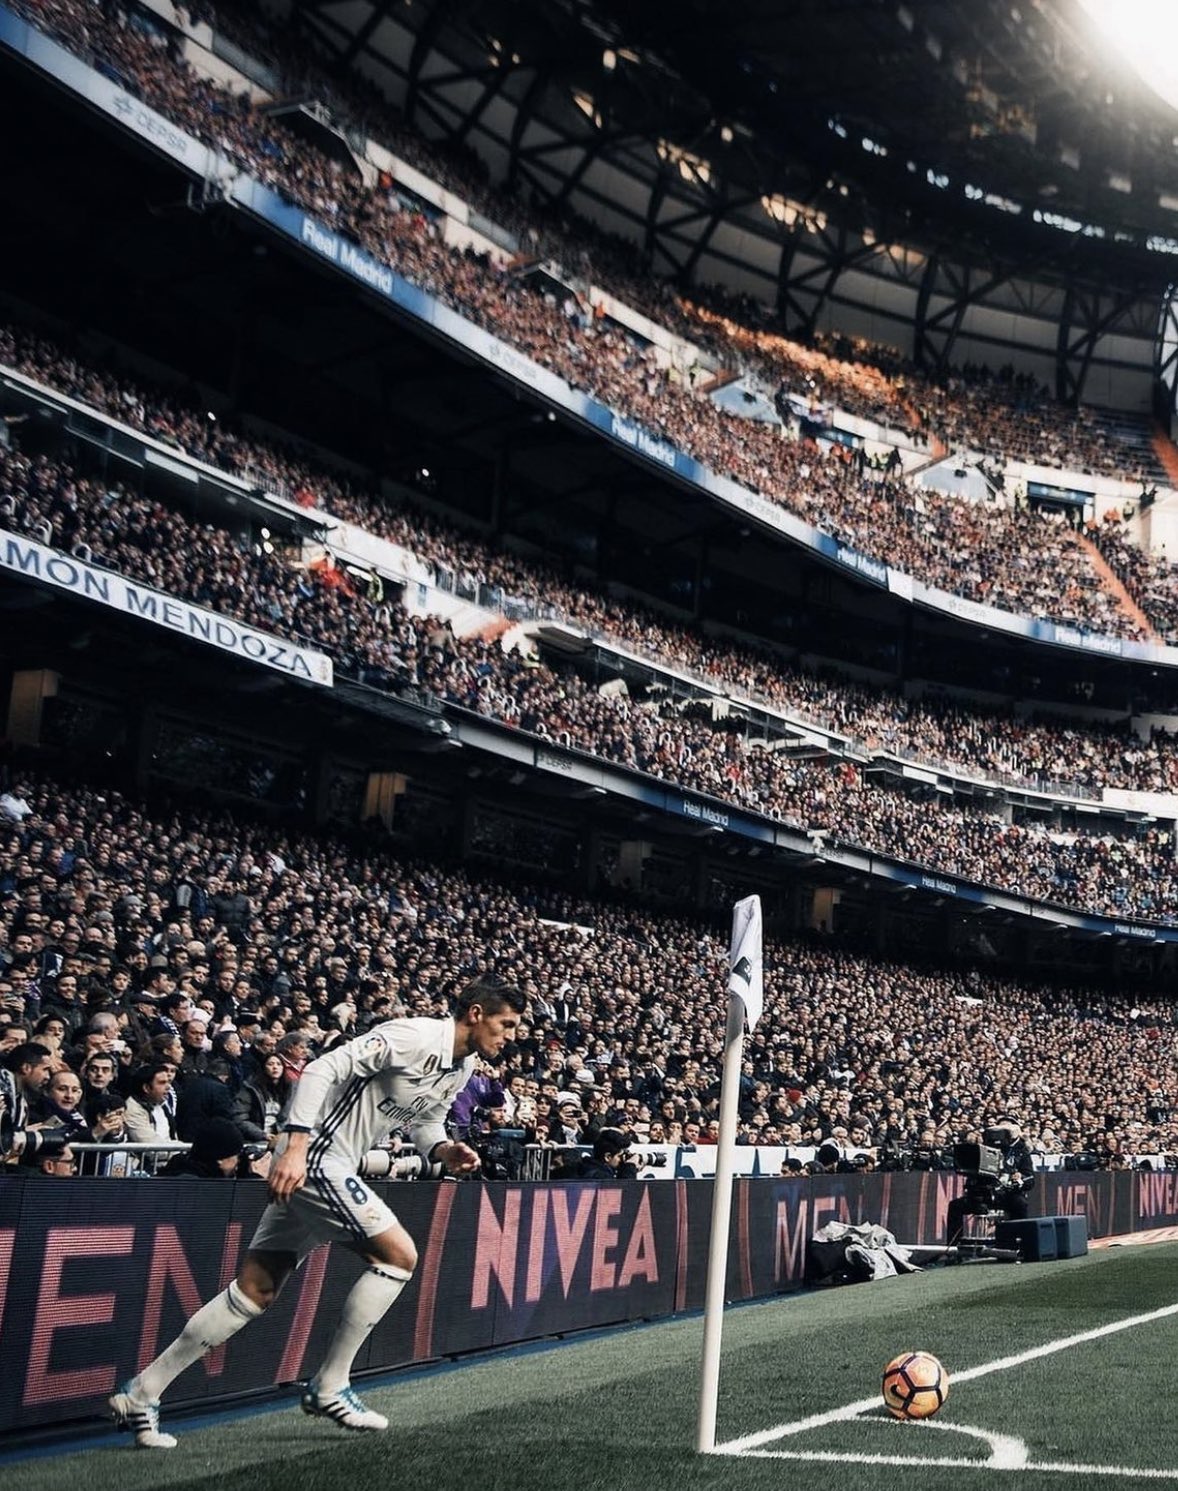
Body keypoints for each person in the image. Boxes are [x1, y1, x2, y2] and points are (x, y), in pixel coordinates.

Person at [110, 977, 526, 1449]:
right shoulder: (414, 1036)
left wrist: (444, 1149)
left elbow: (426, 1121)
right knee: (398, 1257)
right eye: (506, 1024)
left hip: (330, 1161)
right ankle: (330, 1385)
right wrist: (296, 1145)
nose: (510, 1036)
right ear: (476, 1013)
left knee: (254, 1291)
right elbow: (320, 1069)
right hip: (316, 1157)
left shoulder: (462, 1065)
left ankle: (142, 1392)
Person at [945, 1117, 1036, 1246]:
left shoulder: (1021, 1152)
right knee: (955, 1206)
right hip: (983, 1194)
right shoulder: (984, 1148)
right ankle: (953, 1246)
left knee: (1020, 1204)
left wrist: (1019, 1178)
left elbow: (1030, 1179)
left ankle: (1020, 1244)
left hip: (1007, 1195)